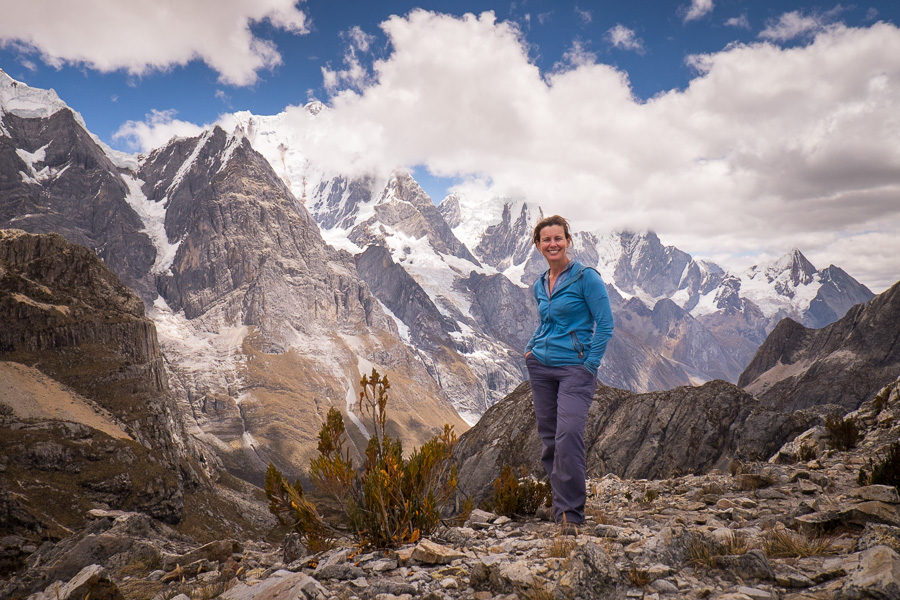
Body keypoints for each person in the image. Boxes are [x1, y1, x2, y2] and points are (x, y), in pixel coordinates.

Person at [524, 215, 614, 531]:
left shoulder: (586, 278)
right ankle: (560, 504)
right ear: (538, 245)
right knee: (549, 440)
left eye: (558, 238)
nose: (553, 244)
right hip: (541, 368)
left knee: (569, 435)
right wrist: (531, 348)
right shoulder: (540, 282)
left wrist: (589, 365)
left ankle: (571, 515)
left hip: (575, 370)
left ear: (568, 241)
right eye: (546, 240)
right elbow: (547, 322)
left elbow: (605, 324)